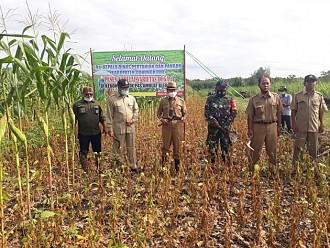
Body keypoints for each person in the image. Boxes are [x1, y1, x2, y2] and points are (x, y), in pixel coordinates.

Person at [245, 76, 283, 170]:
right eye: (263, 83)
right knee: (255, 149)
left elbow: (279, 112)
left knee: (272, 149)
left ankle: (272, 169)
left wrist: (279, 126)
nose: (265, 85)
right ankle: (252, 168)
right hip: (258, 127)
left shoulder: (276, 97)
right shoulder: (254, 99)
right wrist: (250, 129)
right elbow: (250, 115)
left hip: (272, 126)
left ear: (270, 85)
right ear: (259, 85)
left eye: (267, 83)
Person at [291, 74, 328, 165]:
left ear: (316, 83)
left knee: (313, 150)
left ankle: (312, 167)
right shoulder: (298, 95)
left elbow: (321, 111)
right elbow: (293, 111)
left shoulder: (319, 96)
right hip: (301, 127)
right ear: (304, 83)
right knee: (298, 149)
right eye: (308, 82)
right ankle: (295, 168)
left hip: (314, 127)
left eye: (313, 82)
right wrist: (294, 124)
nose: (310, 83)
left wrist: (322, 124)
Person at [106, 79, 139, 172]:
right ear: (119, 88)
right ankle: (118, 168)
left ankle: (133, 166)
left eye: (127, 88)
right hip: (118, 128)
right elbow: (109, 115)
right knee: (118, 149)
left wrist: (133, 120)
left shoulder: (131, 98)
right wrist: (109, 128)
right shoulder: (112, 99)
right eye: (124, 88)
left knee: (131, 147)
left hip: (130, 128)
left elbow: (136, 110)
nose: (126, 89)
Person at [73, 86, 107, 172]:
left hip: (96, 132)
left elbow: (101, 117)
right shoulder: (77, 105)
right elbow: (73, 120)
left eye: (90, 94)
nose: (89, 95)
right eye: (87, 94)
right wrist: (74, 131)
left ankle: (99, 167)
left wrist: (105, 127)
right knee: (84, 151)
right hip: (83, 133)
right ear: (83, 94)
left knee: (98, 151)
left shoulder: (97, 104)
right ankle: (84, 169)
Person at [157, 81, 187, 172]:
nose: (172, 92)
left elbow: (185, 113)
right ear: (167, 91)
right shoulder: (163, 101)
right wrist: (162, 119)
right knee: (165, 146)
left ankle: (177, 168)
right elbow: (158, 113)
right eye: (170, 90)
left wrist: (183, 118)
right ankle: (163, 166)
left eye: (173, 90)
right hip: (166, 125)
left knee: (177, 146)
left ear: (176, 90)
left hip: (177, 125)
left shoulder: (181, 101)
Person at [204, 80, 237, 163]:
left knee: (226, 149)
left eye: (223, 88)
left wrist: (226, 125)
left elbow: (233, 112)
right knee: (212, 149)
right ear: (216, 88)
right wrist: (214, 122)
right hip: (213, 128)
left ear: (226, 89)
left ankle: (225, 168)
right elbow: (207, 112)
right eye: (219, 88)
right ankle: (212, 167)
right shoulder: (210, 99)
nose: (221, 90)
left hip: (225, 129)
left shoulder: (230, 99)